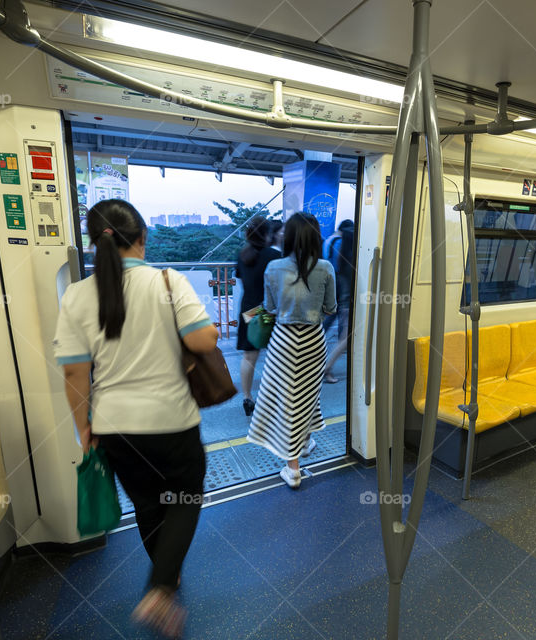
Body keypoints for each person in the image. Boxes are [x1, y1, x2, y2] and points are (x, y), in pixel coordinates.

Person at [53, 199, 218, 637]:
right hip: (172, 421)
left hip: (114, 427)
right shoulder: (167, 281)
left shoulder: (75, 295)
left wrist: (83, 428)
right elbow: (203, 339)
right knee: (184, 497)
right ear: (142, 239)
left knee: (147, 505)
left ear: (94, 245)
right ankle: (161, 586)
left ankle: (167, 575)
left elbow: (74, 371)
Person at [247, 213, 337, 488]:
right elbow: (331, 308)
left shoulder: (273, 267)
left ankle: (292, 467)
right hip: (312, 341)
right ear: (315, 237)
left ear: (289, 237)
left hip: (284, 341)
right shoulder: (325, 267)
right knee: (307, 393)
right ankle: (305, 443)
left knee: (287, 400)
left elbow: (270, 308)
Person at [235, 217, 280, 416]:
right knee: (277, 354)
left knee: (249, 355)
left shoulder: (242, 254)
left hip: (248, 309)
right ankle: (275, 398)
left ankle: (247, 397)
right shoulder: (274, 255)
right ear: (268, 234)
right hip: (267, 310)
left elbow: (241, 280)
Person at [323, 220, 355, 383]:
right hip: (346, 302)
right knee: (344, 339)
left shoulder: (331, 244)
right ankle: (326, 368)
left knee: (326, 329)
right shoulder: (352, 260)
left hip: (333, 295)